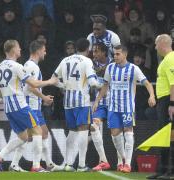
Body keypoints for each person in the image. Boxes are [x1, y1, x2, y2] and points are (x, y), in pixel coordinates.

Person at [0, 39, 58, 172]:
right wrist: (50, 81)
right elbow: (33, 84)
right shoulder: (17, 66)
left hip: (8, 107)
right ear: (13, 50)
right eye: (18, 48)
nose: (20, 50)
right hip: (20, 106)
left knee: (23, 137)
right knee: (37, 131)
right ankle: (36, 166)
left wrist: (6, 97)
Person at [93, 45, 156, 173]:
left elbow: (147, 83)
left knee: (128, 132)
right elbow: (105, 86)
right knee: (115, 135)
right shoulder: (110, 68)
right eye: (114, 54)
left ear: (125, 55)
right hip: (113, 107)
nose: (115, 56)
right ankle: (123, 158)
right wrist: (97, 101)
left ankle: (127, 164)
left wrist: (152, 96)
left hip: (128, 107)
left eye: (117, 54)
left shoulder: (133, 68)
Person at [54, 38, 101, 172]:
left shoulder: (65, 60)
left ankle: (68, 164)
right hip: (82, 101)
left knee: (72, 131)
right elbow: (92, 82)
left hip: (68, 102)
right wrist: (102, 85)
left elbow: (54, 78)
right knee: (83, 130)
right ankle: (81, 165)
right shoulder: (87, 61)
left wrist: (64, 86)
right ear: (88, 49)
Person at [147, 34, 174, 179]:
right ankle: (163, 170)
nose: (155, 47)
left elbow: (173, 83)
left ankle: (168, 171)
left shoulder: (170, 59)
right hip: (164, 100)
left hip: (167, 101)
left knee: (168, 136)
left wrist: (171, 104)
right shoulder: (167, 59)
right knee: (165, 136)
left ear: (163, 43)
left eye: (157, 44)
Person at [90, 42, 111, 171]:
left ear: (104, 52)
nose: (94, 54)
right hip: (100, 102)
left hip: (115, 102)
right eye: (93, 52)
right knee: (93, 126)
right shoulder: (90, 65)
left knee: (118, 133)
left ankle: (122, 162)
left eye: (96, 51)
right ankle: (104, 160)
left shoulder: (115, 63)